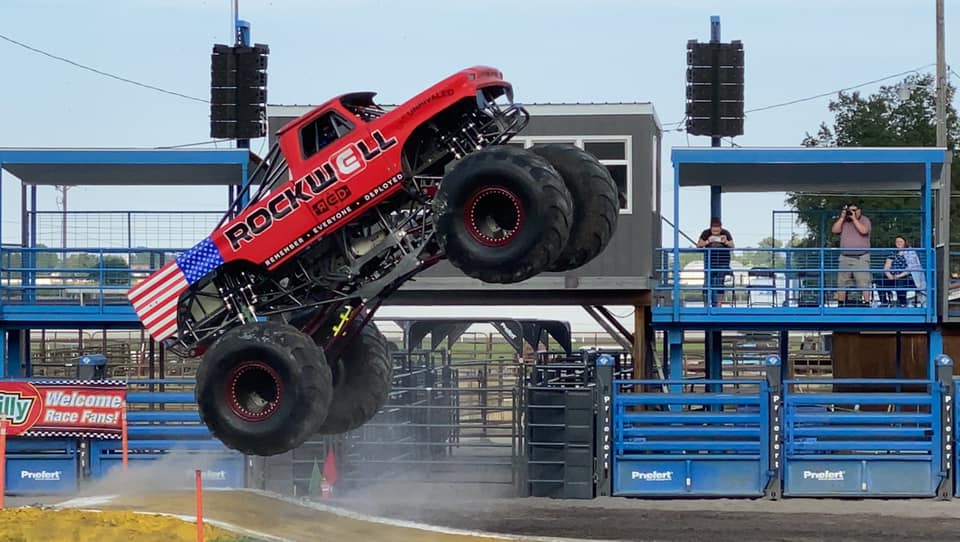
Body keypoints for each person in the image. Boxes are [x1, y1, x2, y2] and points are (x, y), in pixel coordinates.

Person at [831, 203, 872, 306]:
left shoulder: (865, 220)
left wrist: (854, 219)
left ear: (859, 210)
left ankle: (867, 303)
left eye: (854, 210)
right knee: (842, 282)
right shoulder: (844, 221)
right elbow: (835, 230)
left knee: (863, 281)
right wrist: (842, 218)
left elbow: (864, 231)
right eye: (850, 210)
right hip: (845, 257)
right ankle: (840, 304)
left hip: (861, 257)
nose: (852, 212)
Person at [696, 217, 734, 306]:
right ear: (710, 228)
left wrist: (726, 242)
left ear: (721, 228)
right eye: (714, 232)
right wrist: (708, 241)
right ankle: (706, 304)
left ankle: (719, 304)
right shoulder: (706, 233)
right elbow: (698, 245)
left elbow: (732, 245)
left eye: (717, 232)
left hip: (723, 262)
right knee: (707, 282)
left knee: (720, 282)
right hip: (710, 262)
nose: (716, 234)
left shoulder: (726, 233)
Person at [879, 236, 923, 307]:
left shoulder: (910, 253)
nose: (898, 243)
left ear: (905, 243)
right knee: (880, 281)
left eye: (900, 242)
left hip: (905, 276)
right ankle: (884, 302)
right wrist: (889, 275)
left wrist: (899, 275)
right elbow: (887, 266)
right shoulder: (892, 253)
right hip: (892, 276)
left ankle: (902, 303)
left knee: (900, 282)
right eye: (897, 242)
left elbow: (911, 267)